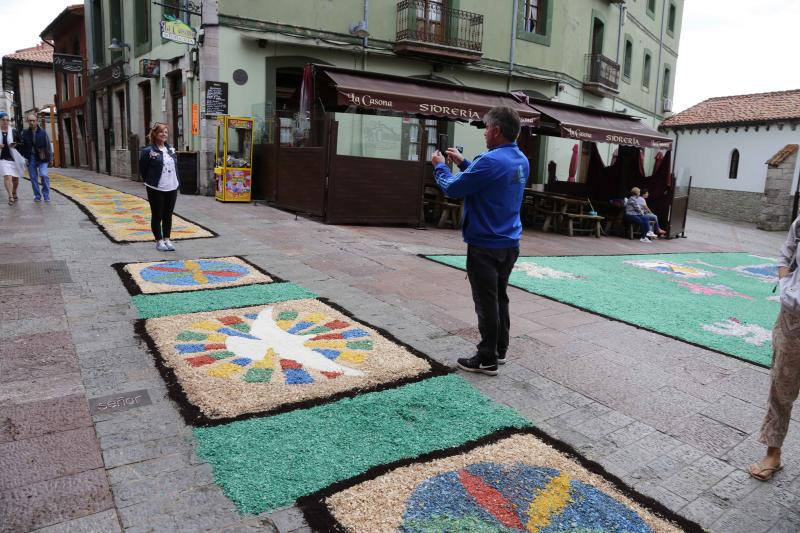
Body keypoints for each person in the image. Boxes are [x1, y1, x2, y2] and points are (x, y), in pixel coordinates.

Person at [431, 106, 529, 376]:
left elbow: (453, 188)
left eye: (486, 127)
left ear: (497, 130)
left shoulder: (491, 160)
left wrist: (440, 168)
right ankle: (499, 350)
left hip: (485, 244)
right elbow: (488, 180)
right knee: (499, 297)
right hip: (509, 242)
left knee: (486, 302)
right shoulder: (520, 159)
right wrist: (463, 163)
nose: (485, 132)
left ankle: (486, 358)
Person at [749, 218, 800, 481]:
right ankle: (773, 452)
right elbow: (787, 252)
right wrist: (786, 283)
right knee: (782, 385)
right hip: (793, 317)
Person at [139, 122, 179, 251]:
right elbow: (143, 169)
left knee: (168, 214)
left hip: (172, 186)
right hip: (156, 188)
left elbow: (175, 167)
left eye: (166, 132)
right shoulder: (148, 151)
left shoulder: (171, 150)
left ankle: (167, 239)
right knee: (157, 215)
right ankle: (159, 240)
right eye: (161, 131)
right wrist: (150, 182)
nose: (164, 134)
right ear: (155, 134)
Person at [20, 112, 52, 203]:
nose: (32, 122)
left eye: (33, 121)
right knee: (33, 178)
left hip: (42, 157)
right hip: (31, 157)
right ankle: (37, 196)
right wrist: (23, 157)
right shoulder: (25, 133)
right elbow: (22, 146)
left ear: (36, 121)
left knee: (44, 175)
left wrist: (50, 159)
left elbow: (48, 145)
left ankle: (46, 195)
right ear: (27, 121)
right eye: (30, 121)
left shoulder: (43, 132)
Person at [0, 112, 21, 205]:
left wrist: (16, 144)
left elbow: (21, 143)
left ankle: (14, 191)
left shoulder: (14, 131)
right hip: (3, 158)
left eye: (7, 120)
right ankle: (10, 196)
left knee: (15, 179)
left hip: (14, 158)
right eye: (3, 120)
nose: (5, 122)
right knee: (7, 177)